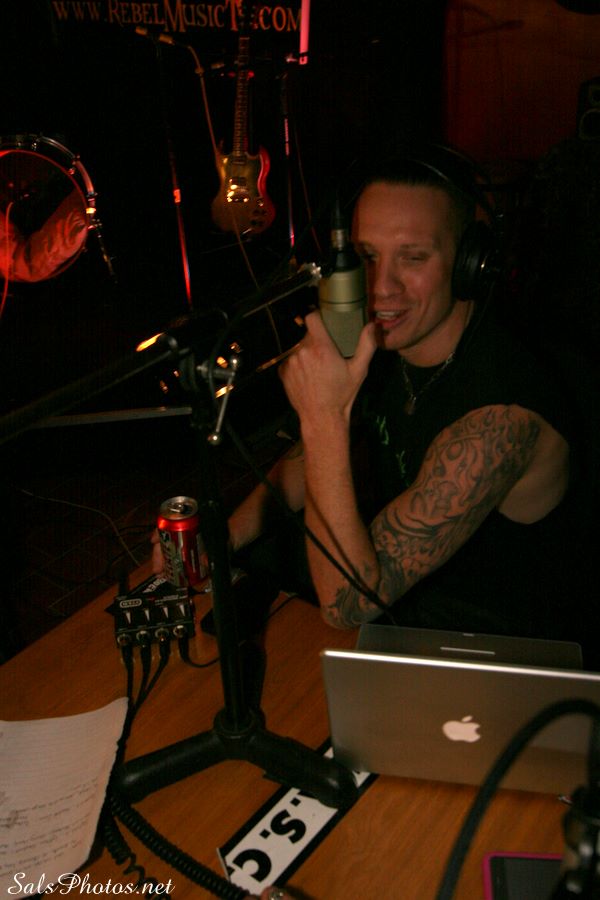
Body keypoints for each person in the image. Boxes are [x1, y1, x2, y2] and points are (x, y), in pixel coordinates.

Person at [154, 146, 594, 662]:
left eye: (413, 257)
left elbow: (348, 604)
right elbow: (304, 465)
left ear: (470, 263)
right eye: (366, 256)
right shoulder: (388, 346)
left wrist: (323, 417)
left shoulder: (501, 421)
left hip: (499, 661)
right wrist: (225, 537)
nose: (381, 287)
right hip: (404, 622)